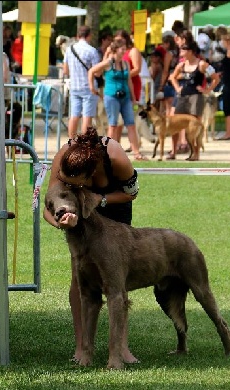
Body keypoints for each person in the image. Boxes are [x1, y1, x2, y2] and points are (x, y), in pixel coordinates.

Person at [43, 126, 140, 365]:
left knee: (115, 277)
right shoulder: (64, 157)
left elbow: (132, 193)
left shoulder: (115, 157)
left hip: (113, 206)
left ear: (90, 176)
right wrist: (61, 223)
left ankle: (121, 348)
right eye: (66, 183)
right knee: (80, 278)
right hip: (75, 217)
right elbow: (47, 205)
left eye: (74, 184)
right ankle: (82, 348)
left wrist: (99, 200)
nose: (69, 187)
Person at [89, 39, 146, 161]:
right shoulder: (108, 63)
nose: (124, 51)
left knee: (131, 124)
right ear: (116, 50)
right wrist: (92, 88)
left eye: (125, 49)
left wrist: (133, 98)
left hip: (125, 97)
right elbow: (92, 71)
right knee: (113, 125)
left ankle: (136, 152)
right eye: (122, 49)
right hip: (111, 97)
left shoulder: (125, 63)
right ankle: (109, 152)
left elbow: (129, 80)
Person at [168, 40, 219, 160]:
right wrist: (177, 88)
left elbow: (216, 78)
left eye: (183, 49)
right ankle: (173, 151)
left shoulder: (202, 64)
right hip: (183, 96)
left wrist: (207, 89)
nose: (181, 51)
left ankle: (196, 153)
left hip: (196, 97)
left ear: (190, 51)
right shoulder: (181, 65)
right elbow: (172, 77)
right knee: (175, 124)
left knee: (194, 126)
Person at [63, 25, 101, 139]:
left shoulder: (69, 49)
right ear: (89, 35)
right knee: (87, 117)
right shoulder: (92, 51)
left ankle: (71, 141)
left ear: (78, 35)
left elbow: (65, 70)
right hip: (89, 87)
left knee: (74, 116)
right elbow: (97, 72)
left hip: (74, 86)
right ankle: (83, 143)